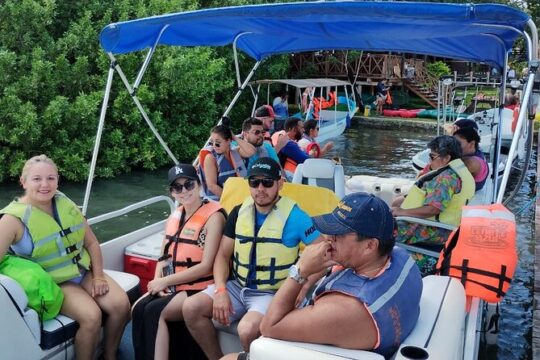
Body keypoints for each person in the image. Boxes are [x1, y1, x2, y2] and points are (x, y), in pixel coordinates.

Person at [182, 157, 320, 360]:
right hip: (237, 287)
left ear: (280, 183)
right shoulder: (238, 213)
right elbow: (222, 255)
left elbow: (322, 253)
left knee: (247, 329)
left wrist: (304, 286)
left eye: (267, 182)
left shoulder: (297, 217)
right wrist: (220, 290)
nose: (260, 188)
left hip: (272, 292)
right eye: (254, 182)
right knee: (191, 308)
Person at [260, 192, 422, 358]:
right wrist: (307, 283)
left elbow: (269, 326)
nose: (328, 238)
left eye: (339, 234)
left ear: (369, 246)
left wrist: (300, 270)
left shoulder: (345, 310)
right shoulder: (399, 257)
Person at [0, 154, 130, 360]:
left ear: (57, 180)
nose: (45, 184)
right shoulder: (11, 220)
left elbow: (92, 243)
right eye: (37, 179)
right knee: (91, 317)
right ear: (23, 181)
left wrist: (98, 276)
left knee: (121, 306)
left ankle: (110, 355)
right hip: (55, 283)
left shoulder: (65, 204)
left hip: (82, 271)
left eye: (51, 178)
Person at [131, 164, 226, 360]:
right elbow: (164, 254)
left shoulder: (214, 217)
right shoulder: (175, 215)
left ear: (199, 185)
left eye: (189, 185)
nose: (184, 191)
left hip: (200, 286)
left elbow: (206, 266)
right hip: (175, 283)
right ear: (172, 192)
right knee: (137, 309)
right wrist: (157, 281)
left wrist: (166, 282)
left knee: (154, 312)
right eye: (177, 187)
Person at [391, 136, 475, 274]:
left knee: (382, 229)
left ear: (446, 158)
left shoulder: (446, 177)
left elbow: (434, 208)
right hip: (442, 227)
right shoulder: (460, 171)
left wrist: (401, 212)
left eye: (432, 156)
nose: (429, 161)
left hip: (435, 231)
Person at [199, 121, 256, 200]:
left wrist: (235, 138)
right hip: (220, 201)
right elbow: (212, 186)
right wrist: (231, 200)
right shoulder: (210, 158)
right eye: (212, 143)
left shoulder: (236, 153)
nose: (214, 146)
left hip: (238, 196)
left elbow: (252, 151)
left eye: (218, 143)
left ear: (228, 141)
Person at [453, 127, 489, 191]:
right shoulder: (478, 153)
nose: (453, 146)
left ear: (472, 144)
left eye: (457, 143)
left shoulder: (473, 162)